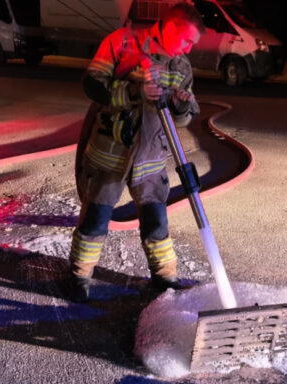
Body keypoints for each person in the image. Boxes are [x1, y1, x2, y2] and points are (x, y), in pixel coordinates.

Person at [65, 3, 205, 302]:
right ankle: (79, 277)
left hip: (151, 160)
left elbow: (183, 117)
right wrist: (133, 92)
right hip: (109, 155)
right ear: (170, 26)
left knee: (156, 222)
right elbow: (93, 86)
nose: (188, 50)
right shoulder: (121, 43)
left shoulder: (180, 67)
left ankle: (164, 278)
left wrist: (181, 106)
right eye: (186, 40)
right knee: (96, 219)